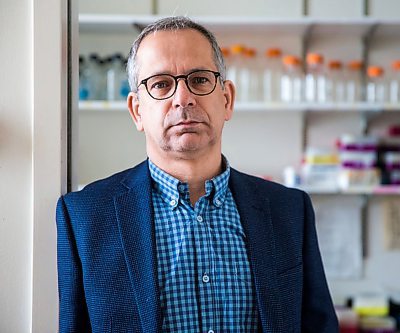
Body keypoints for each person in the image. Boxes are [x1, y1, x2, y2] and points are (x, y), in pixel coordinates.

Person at [57, 16, 338, 333]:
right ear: (137, 110)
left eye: (200, 80)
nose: (183, 98)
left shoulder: (289, 210)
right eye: (161, 84)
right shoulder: (84, 216)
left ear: (227, 99)